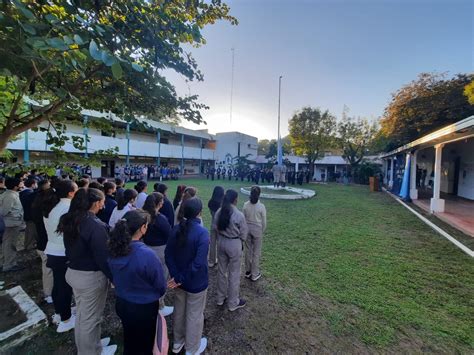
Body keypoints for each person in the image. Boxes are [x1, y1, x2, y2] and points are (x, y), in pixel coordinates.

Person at [59, 188, 116, 355]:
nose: (104, 205)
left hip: (75, 272)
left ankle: (94, 345)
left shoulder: (73, 219)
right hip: (89, 277)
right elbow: (103, 258)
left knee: (85, 316)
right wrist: (114, 278)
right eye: (102, 201)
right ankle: (89, 351)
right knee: (89, 319)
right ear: (96, 203)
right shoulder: (94, 225)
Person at [108, 210, 166, 355]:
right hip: (143, 308)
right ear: (142, 228)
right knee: (145, 344)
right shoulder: (146, 255)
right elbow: (160, 285)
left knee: (130, 337)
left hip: (122, 303)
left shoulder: (114, 247)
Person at [165, 197, 209, 355]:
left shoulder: (176, 228)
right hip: (194, 282)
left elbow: (168, 255)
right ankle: (191, 348)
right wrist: (178, 278)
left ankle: (178, 342)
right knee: (194, 314)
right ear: (199, 213)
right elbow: (198, 263)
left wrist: (177, 277)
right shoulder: (202, 233)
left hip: (180, 280)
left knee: (180, 310)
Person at [44, 180, 78, 333]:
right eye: (76, 189)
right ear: (71, 192)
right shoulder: (68, 207)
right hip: (62, 251)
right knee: (64, 286)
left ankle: (60, 313)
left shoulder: (53, 205)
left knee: (59, 284)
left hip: (53, 249)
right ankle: (66, 319)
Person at [213, 189, 248, 311]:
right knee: (234, 274)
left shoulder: (219, 211)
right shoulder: (239, 215)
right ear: (235, 199)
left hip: (222, 242)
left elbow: (215, 227)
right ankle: (233, 302)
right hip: (234, 243)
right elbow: (244, 234)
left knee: (222, 271)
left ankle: (220, 298)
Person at [142, 193, 174, 316]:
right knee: (161, 277)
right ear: (159, 204)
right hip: (160, 250)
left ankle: (152, 302)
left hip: (146, 247)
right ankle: (159, 306)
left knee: (150, 276)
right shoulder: (160, 219)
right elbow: (169, 234)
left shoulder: (143, 215)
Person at [31, 180, 53, 304]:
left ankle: (50, 292)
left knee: (49, 270)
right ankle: (48, 294)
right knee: (48, 270)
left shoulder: (36, 205)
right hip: (47, 245)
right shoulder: (48, 214)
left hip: (43, 243)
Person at [0, 177, 25, 272]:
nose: (22, 184)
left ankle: (5, 262)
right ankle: (9, 265)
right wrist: (15, 215)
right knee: (10, 244)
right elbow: (4, 211)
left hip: (13, 222)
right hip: (11, 223)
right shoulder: (10, 196)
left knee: (8, 243)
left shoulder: (11, 194)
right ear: (15, 186)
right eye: (20, 183)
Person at [242, 186, 267, 282]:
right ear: (259, 194)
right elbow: (264, 222)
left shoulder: (245, 205)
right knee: (256, 252)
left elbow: (243, 219)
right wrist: (262, 230)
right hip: (257, 229)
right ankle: (254, 273)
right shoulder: (261, 206)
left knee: (248, 250)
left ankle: (247, 271)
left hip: (247, 228)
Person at [207, 186, 224, 268]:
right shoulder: (222, 203)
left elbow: (211, 213)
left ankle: (211, 261)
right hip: (220, 226)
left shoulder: (211, 202)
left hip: (213, 224)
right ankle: (220, 261)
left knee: (213, 243)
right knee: (220, 244)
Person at [19, 177, 38, 250]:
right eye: (35, 183)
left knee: (29, 230)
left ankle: (28, 244)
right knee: (31, 231)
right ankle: (29, 246)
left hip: (27, 214)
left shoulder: (24, 192)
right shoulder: (29, 193)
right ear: (32, 184)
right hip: (30, 215)